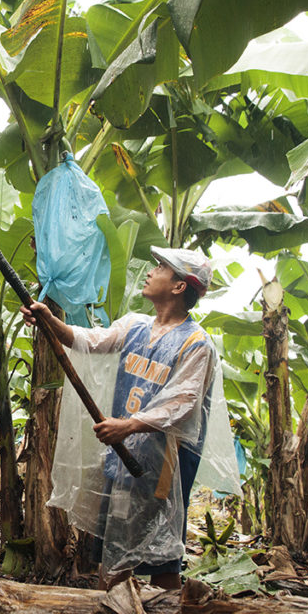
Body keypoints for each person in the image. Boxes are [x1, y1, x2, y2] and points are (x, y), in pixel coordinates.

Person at [21, 246, 224, 589]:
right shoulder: (135, 325)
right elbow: (89, 340)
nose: (150, 270)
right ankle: (113, 612)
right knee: (116, 542)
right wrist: (50, 322)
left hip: (163, 465)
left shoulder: (196, 343)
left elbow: (183, 403)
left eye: (161, 267)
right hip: (123, 453)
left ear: (178, 287)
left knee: (161, 551)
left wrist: (127, 425)